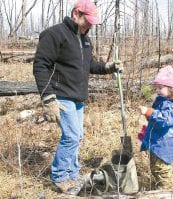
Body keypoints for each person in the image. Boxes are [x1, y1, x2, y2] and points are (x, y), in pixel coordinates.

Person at [33, 0, 123, 195]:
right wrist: (47, 98)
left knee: (77, 136)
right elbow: (40, 65)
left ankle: (72, 173)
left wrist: (108, 67)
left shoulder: (85, 39)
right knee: (71, 136)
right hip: (61, 95)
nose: (90, 25)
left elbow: (89, 65)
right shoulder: (55, 34)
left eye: (92, 21)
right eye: (87, 20)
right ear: (76, 14)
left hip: (78, 97)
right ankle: (60, 178)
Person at [139, 65, 173, 189]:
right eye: (156, 88)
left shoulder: (172, 104)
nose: (157, 90)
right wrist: (148, 120)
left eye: (160, 88)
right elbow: (159, 119)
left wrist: (149, 112)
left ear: (171, 88)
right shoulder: (163, 100)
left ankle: (168, 192)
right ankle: (163, 189)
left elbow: (166, 120)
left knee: (161, 170)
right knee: (156, 168)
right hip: (159, 141)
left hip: (164, 144)